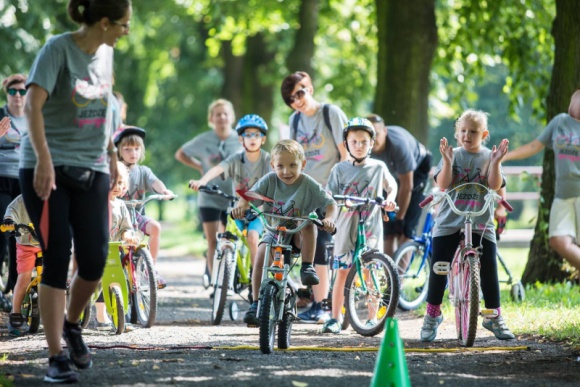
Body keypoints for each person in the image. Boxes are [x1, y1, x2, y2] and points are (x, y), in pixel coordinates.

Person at [20, 0, 131, 383]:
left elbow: (105, 112)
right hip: (47, 168)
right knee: (56, 255)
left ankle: (71, 325)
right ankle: (55, 358)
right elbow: (33, 106)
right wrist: (44, 159)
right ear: (104, 22)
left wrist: (114, 157)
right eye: (124, 25)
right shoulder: (57, 50)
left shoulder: (105, 55)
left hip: (94, 167)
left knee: (96, 258)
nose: (126, 32)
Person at [420, 109, 514, 342]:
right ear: (456, 133)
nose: (467, 135)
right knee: (439, 266)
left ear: (484, 134)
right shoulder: (453, 154)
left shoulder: (487, 156)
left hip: (480, 221)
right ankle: (432, 314)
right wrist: (447, 161)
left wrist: (497, 162)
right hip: (449, 220)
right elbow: (443, 185)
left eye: (473, 131)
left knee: (489, 265)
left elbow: (493, 185)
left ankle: (493, 315)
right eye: (463, 130)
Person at [231, 139, 337, 325]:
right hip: (274, 230)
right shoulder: (269, 180)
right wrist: (241, 206)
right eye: (280, 166)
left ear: (303, 165)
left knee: (309, 222)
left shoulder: (308, 184)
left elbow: (330, 204)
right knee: (260, 258)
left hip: (297, 233)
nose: (286, 171)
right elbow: (248, 198)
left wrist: (329, 219)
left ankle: (307, 266)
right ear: (272, 165)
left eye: (292, 165)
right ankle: (256, 303)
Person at [188, 114, 271, 325]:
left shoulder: (268, 160)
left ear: (263, 139)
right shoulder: (235, 158)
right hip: (237, 210)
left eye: (257, 135)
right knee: (224, 237)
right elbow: (217, 169)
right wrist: (202, 180)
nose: (252, 138)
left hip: (258, 211)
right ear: (240, 139)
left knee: (253, 237)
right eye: (247, 135)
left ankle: (256, 273)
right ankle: (223, 276)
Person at [280, 71, 348, 323]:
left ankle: (322, 305)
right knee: (285, 234)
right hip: (305, 190)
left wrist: (333, 188)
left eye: (300, 92)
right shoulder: (295, 121)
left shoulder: (331, 113)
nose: (297, 100)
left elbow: (346, 153)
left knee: (319, 241)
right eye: (290, 98)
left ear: (310, 87)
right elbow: (293, 158)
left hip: (330, 191)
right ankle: (298, 295)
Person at [323, 118, 397, 333]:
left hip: (371, 226)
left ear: (371, 143)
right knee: (343, 272)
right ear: (346, 143)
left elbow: (391, 187)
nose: (359, 145)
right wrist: (337, 201)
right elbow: (329, 194)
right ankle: (334, 318)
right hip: (345, 226)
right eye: (354, 141)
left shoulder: (378, 167)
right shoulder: (339, 169)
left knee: (371, 272)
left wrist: (389, 200)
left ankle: (371, 319)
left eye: (364, 141)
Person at [503, 90, 580, 271]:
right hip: (562, 194)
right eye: (574, 98)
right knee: (557, 240)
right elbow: (533, 146)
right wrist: (504, 156)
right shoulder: (560, 122)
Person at [175, 99, 242, 283]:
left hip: (234, 197)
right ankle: (216, 283)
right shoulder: (203, 139)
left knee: (232, 239)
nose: (222, 117)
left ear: (232, 117)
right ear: (211, 118)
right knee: (212, 241)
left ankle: (234, 273)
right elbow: (180, 153)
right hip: (209, 196)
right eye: (217, 114)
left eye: (225, 114)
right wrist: (199, 167)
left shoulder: (241, 138)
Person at [114, 126, 173, 289]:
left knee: (155, 227)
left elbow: (155, 182)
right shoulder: (115, 169)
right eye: (127, 149)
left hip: (136, 216)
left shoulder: (143, 171)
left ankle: (151, 269)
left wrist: (164, 191)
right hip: (116, 217)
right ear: (119, 150)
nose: (133, 153)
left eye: (137, 149)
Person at [367, 114, 432, 257]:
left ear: (385, 131)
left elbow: (407, 186)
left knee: (405, 227)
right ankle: (389, 271)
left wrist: (400, 217)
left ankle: (400, 274)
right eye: (370, 135)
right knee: (388, 229)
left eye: (376, 134)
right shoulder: (365, 147)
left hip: (417, 169)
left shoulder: (398, 146)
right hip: (392, 175)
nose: (373, 139)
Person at [94, 161, 137, 331]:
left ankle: (118, 318)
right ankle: (99, 314)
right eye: (111, 181)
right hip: (96, 249)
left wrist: (128, 237)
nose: (116, 186)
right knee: (96, 281)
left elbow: (126, 228)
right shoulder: (96, 203)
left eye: (120, 182)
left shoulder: (121, 206)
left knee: (116, 280)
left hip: (113, 251)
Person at [0, 74, 29, 302]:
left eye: (22, 91)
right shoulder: (1, 116)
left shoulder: (34, 118)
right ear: (6, 93)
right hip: (2, 180)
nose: (17, 96)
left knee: (21, 232)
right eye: (13, 91)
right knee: (3, 229)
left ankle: (14, 287)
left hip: (25, 179)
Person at [4, 195, 42, 337]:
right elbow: (11, 210)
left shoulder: (54, 197)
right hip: (26, 245)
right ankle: (16, 313)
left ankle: (62, 313)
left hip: (48, 244)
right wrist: (9, 221)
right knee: (24, 277)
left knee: (55, 276)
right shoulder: (21, 200)